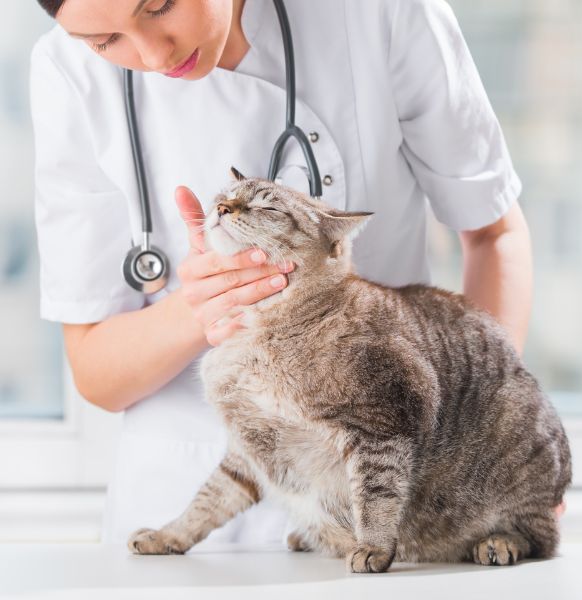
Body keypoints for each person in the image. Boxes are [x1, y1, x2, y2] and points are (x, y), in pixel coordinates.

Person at [31, 0, 550, 547]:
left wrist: (498, 448)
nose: (155, 54)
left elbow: (493, 234)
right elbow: (94, 369)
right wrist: (199, 307)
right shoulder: (68, 72)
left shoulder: (379, 12)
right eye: (105, 40)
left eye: (160, 5)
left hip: (402, 502)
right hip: (189, 522)